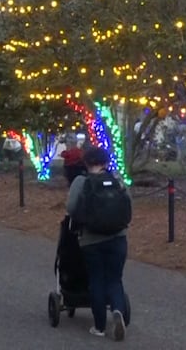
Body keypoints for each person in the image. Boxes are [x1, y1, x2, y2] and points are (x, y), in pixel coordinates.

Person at [66, 146, 130, 341]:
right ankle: (117, 310)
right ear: (106, 161)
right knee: (115, 279)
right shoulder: (117, 179)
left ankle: (99, 326)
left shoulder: (81, 182)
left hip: (91, 239)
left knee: (96, 280)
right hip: (118, 237)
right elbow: (128, 205)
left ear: (85, 162)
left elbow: (71, 208)